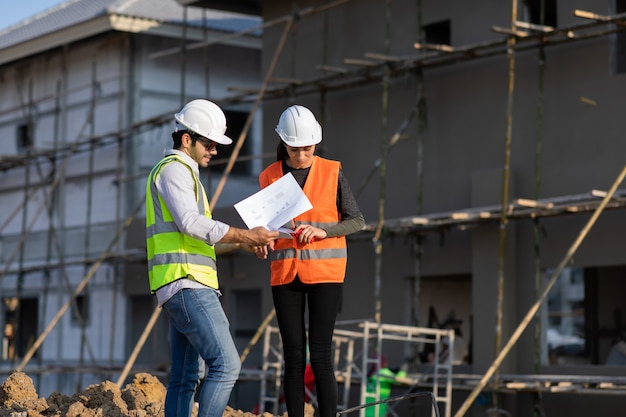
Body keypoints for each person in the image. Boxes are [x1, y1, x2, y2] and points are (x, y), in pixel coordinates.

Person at [145, 99, 279, 417]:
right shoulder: (175, 171)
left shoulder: (183, 175)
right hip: (189, 285)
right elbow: (192, 224)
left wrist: (242, 246)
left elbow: (200, 242)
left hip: (178, 284)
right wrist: (246, 235)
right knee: (227, 364)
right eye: (209, 143)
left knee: (184, 377)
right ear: (187, 139)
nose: (214, 151)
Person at [254, 104, 365, 417]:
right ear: (283, 143)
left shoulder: (332, 172)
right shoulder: (269, 176)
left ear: (315, 143)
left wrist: (322, 230)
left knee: (320, 356)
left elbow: (356, 221)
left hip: (326, 274)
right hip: (285, 274)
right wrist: (259, 241)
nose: (301, 155)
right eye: (294, 148)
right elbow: (265, 227)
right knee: (292, 357)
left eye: (306, 148)